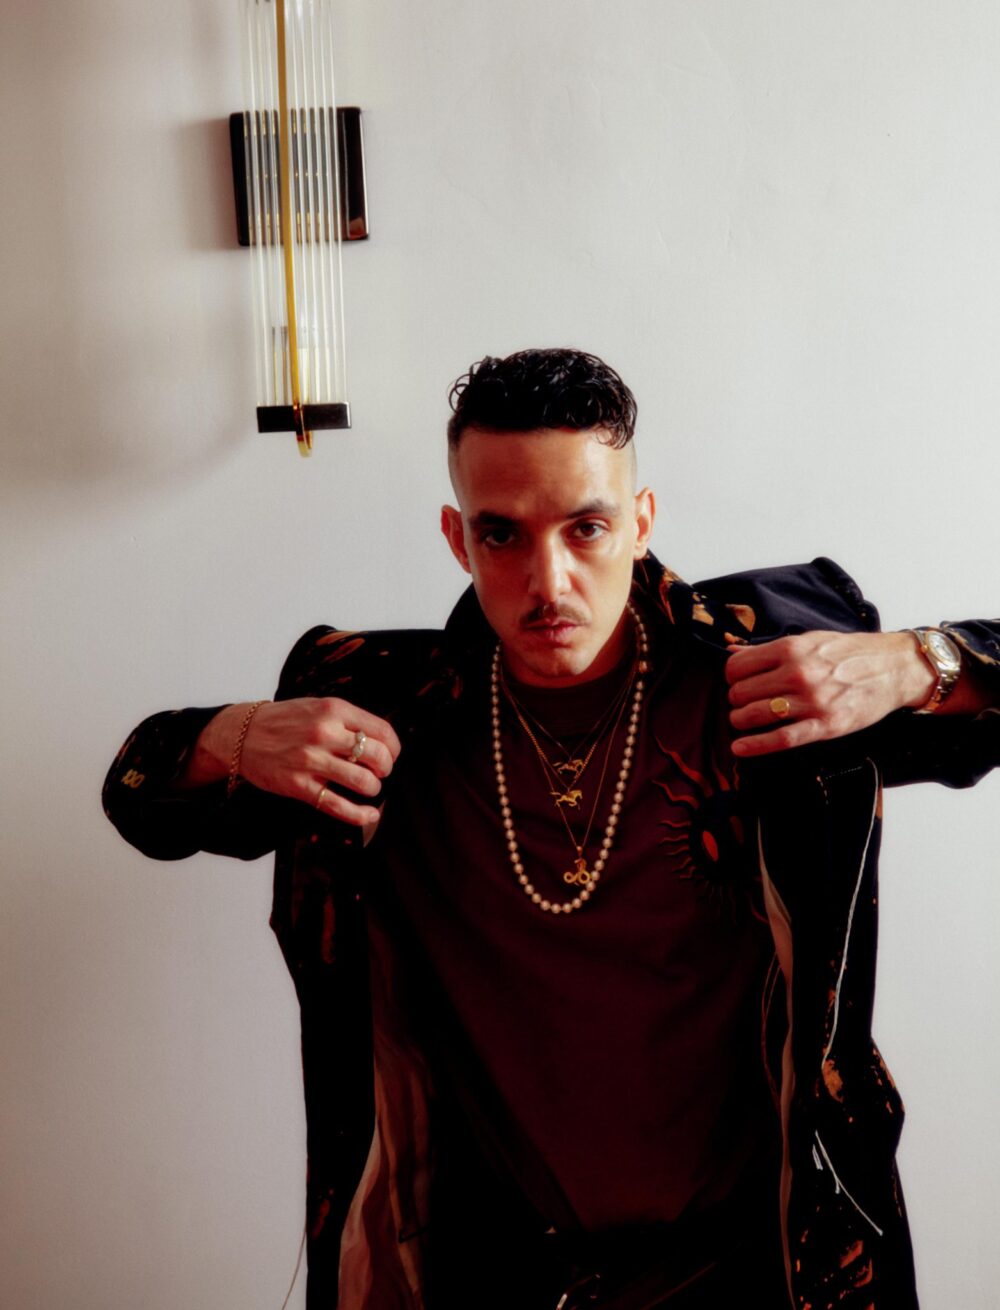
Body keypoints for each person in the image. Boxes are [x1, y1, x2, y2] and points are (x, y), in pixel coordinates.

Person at [104, 348, 999, 1310]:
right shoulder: (386, 714)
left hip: (763, 1265)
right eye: (502, 534)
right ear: (457, 538)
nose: (549, 581)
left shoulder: (761, 683)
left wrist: (923, 662)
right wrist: (231, 738)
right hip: (493, 1273)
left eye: (587, 528)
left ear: (641, 521)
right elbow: (140, 797)